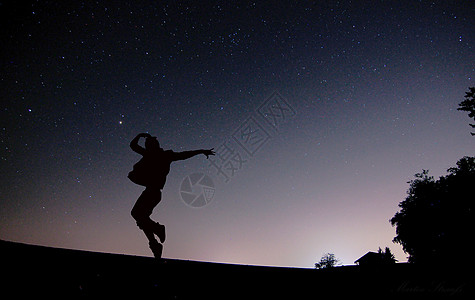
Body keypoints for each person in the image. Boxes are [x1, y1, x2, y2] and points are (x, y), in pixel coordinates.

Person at [128, 132, 215, 258]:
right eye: (147, 145)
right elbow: (133, 146)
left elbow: (184, 155)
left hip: (153, 192)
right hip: (151, 191)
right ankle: (154, 243)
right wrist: (140, 136)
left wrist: (201, 151)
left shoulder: (163, 155)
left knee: (137, 214)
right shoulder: (151, 154)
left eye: (148, 145)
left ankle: (158, 231)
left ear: (153, 145)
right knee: (142, 218)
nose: (147, 147)